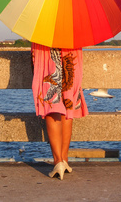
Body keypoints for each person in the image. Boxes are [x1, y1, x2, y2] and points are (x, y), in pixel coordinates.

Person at [31, 42, 89, 180]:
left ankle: (58, 162)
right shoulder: (72, 20)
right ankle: (64, 159)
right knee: (68, 106)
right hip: (71, 46)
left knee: (52, 105)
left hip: (45, 47)